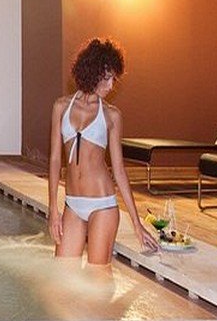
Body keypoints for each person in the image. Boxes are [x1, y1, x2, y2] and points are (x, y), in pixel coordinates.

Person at [48, 38, 158, 265]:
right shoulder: (61, 106)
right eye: (107, 78)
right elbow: (55, 159)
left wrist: (137, 224)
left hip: (103, 205)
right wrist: (53, 209)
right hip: (72, 204)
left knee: (98, 276)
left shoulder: (111, 115)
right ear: (92, 72)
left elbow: (119, 171)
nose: (111, 86)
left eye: (114, 79)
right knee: (61, 273)